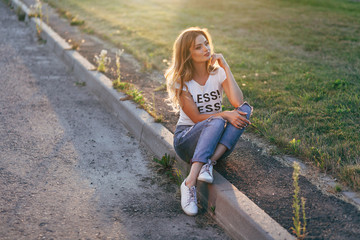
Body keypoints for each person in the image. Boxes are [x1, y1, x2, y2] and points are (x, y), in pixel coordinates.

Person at [165, 27, 253, 216]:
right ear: (187, 54)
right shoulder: (180, 80)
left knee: (244, 110)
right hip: (187, 140)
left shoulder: (217, 73)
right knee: (216, 120)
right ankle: (189, 183)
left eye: (206, 43)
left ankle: (209, 162)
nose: (206, 49)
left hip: (214, 139)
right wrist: (225, 114)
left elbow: (237, 102)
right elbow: (196, 118)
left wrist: (225, 66)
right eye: (198, 47)